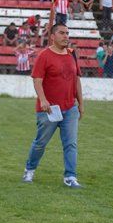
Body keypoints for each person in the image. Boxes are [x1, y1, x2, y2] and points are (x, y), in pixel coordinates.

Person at [22, 24, 84, 188]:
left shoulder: (72, 55)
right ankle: (30, 169)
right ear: (52, 36)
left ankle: (70, 176)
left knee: (71, 144)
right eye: (62, 33)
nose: (66, 36)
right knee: (40, 143)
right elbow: (37, 80)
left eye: (67, 33)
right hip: (48, 109)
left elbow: (77, 80)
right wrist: (43, 100)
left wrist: (81, 104)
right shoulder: (44, 56)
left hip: (70, 108)